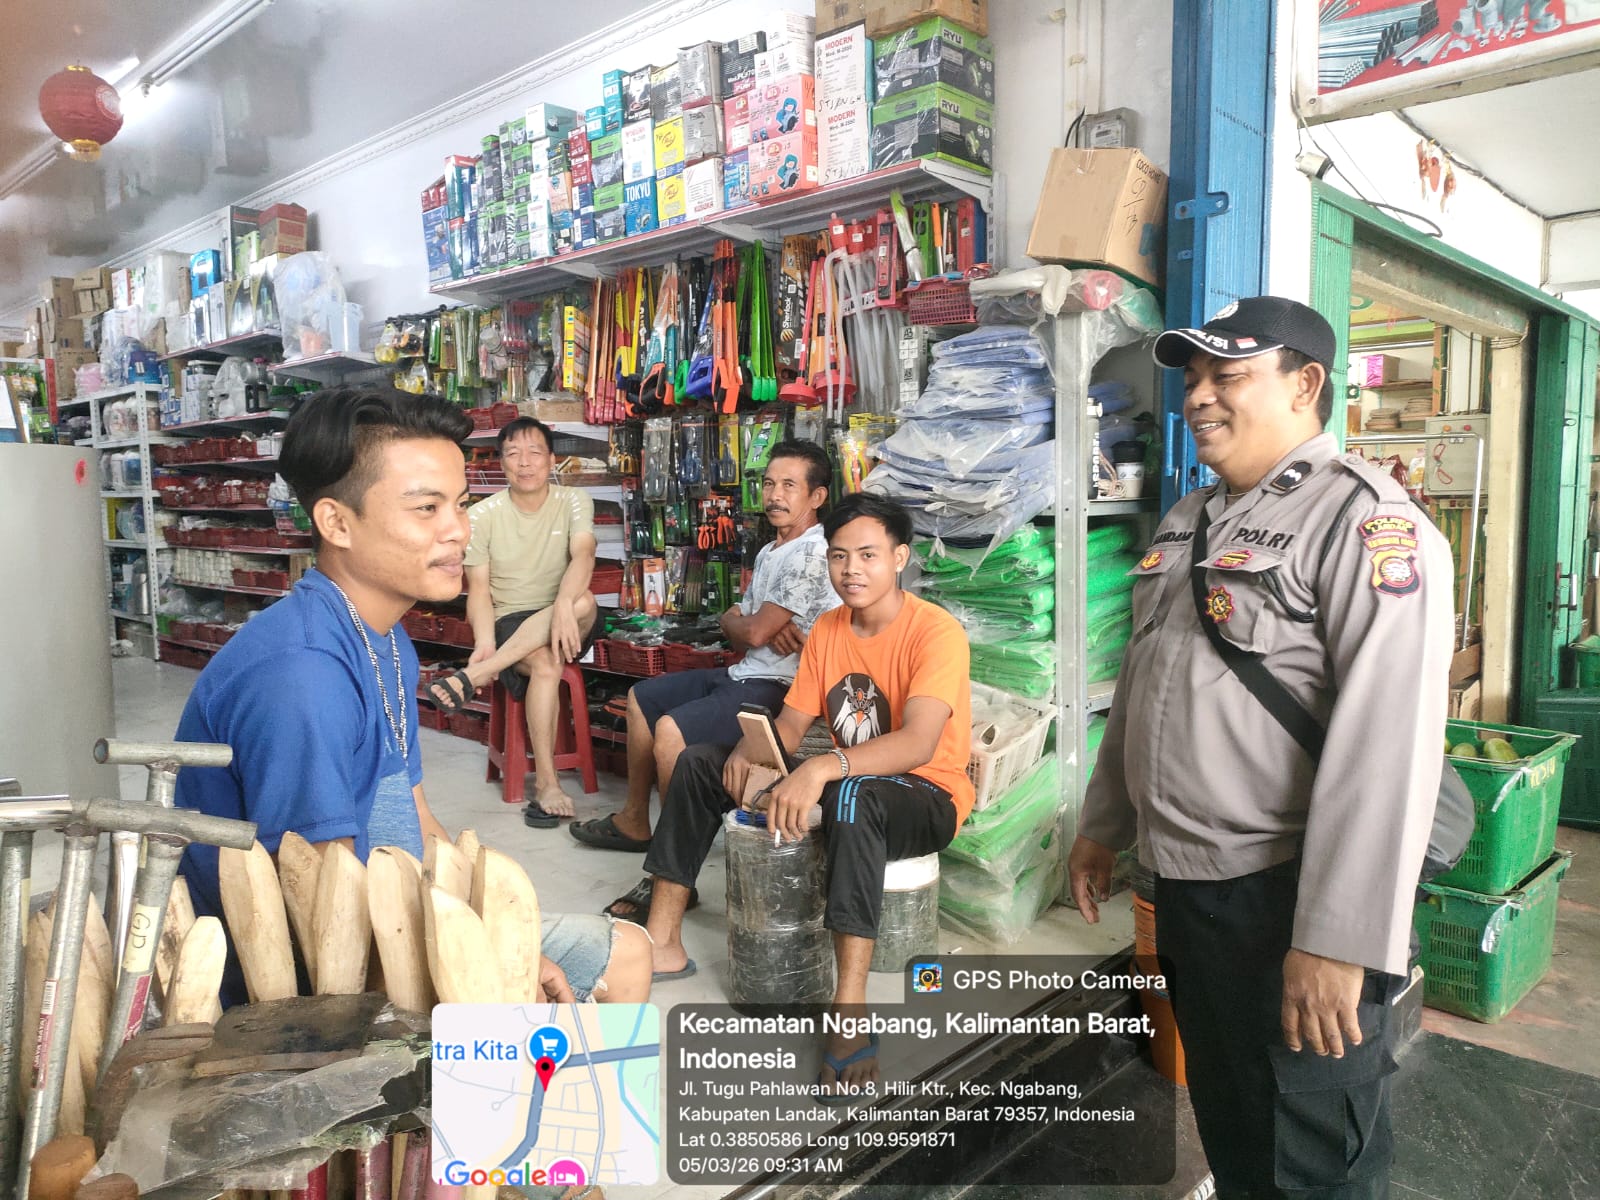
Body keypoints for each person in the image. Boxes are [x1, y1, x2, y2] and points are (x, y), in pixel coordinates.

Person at [1068, 297, 1453, 1198]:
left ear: (1305, 384)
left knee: (1308, 1152)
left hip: (1291, 897)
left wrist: (1337, 941)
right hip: (1188, 890)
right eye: (1193, 378)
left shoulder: (1364, 523)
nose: (1199, 396)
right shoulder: (1189, 518)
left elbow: (1388, 747)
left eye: (1228, 375)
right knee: (1235, 1118)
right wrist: (1104, 825)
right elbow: (1143, 684)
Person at [174, 387, 651, 1008]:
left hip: (384, 913)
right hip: (299, 984)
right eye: (427, 508)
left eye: (461, 503)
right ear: (336, 523)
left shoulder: (385, 636)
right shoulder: (304, 678)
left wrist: (492, 930)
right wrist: (488, 968)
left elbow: (415, 816)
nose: (459, 530)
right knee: (614, 966)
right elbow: (328, 921)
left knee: (623, 951)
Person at [641, 493, 972, 1097]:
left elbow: (919, 742)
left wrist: (823, 768)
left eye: (868, 555)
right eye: (839, 556)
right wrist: (756, 750)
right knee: (698, 763)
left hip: (927, 794)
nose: (851, 570)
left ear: (900, 558)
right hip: (851, 778)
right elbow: (793, 723)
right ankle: (663, 941)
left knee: (851, 795)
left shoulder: (936, 631)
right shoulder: (828, 628)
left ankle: (850, 1011)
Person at [572, 440, 842, 919]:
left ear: (817, 496)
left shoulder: (811, 552)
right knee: (642, 698)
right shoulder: (771, 551)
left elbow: (751, 630)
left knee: (672, 731)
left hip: (779, 687)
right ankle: (635, 820)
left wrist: (747, 623)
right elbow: (742, 630)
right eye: (769, 484)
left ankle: (673, 875)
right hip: (745, 671)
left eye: (789, 486)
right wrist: (738, 621)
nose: (774, 495)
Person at [424, 417, 602, 828]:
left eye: (535, 452)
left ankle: (480, 674)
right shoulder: (482, 516)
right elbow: (479, 591)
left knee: (585, 599)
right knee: (546, 664)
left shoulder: (574, 501)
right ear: (501, 462)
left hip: (571, 613)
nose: (525, 463)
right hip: (513, 620)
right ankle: (547, 785)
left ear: (552, 460)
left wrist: (562, 604)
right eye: (513, 454)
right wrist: (485, 642)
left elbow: (584, 556)